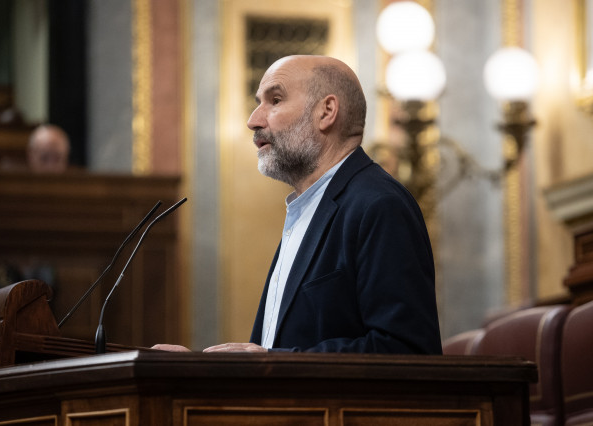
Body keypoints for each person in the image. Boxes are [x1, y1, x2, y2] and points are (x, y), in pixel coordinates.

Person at [154, 55, 442, 354]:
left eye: (275, 100)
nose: (253, 120)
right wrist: (195, 370)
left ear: (326, 111)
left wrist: (270, 361)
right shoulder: (308, 209)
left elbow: (406, 350)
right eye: (259, 102)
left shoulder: (379, 205)